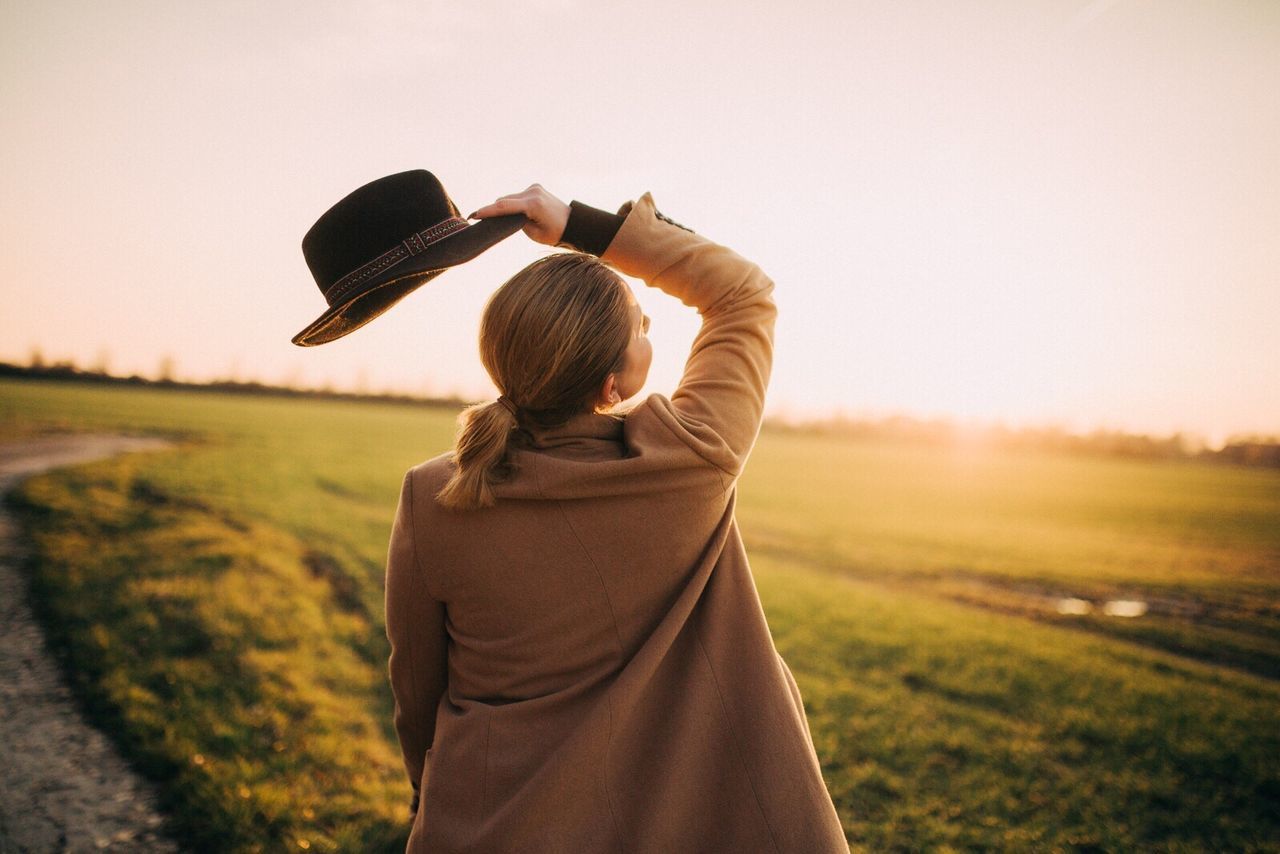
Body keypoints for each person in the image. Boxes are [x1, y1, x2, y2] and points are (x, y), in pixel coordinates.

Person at [384, 183, 848, 852]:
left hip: (495, 826)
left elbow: (416, 689)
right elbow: (742, 293)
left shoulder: (433, 496)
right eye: (639, 323)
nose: (652, 327)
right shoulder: (691, 458)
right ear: (611, 386)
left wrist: (427, 792)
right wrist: (581, 225)